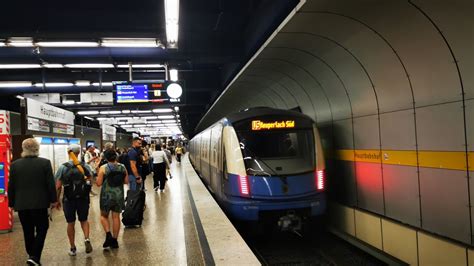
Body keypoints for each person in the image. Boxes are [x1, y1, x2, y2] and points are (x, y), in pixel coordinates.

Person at [8, 138, 58, 265]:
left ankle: (32, 255)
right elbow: (50, 184)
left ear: (23, 149)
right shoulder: (45, 163)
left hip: (22, 204)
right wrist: (53, 200)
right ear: (37, 149)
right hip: (40, 204)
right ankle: (34, 256)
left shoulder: (14, 165)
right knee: (42, 228)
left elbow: (11, 185)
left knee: (27, 230)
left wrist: (11, 203)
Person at [55, 144, 94, 256]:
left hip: (69, 199)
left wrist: (56, 200)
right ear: (78, 152)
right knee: (84, 220)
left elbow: (58, 186)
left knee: (70, 223)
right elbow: (90, 181)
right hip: (83, 198)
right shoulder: (85, 166)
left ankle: (72, 248)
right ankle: (86, 238)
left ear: (69, 153)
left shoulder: (63, 167)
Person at [96, 149, 128, 249]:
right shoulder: (122, 167)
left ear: (106, 158)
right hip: (118, 195)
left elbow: (98, 183)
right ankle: (114, 240)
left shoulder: (103, 168)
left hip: (106, 196)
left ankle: (108, 234)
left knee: (103, 216)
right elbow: (126, 181)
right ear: (116, 156)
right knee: (116, 217)